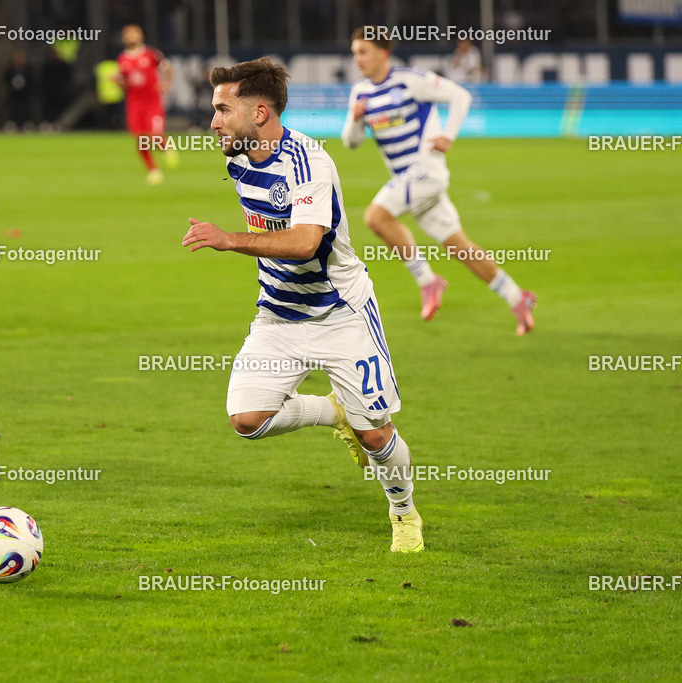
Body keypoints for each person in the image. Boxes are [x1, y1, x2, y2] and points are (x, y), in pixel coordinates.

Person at [182, 57, 423, 553]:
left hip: (341, 313)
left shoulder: (310, 163)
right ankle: (330, 412)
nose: (213, 122)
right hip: (278, 314)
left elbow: (307, 243)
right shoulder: (238, 156)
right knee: (247, 419)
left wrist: (229, 240)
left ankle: (403, 514)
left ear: (262, 113)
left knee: (376, 437)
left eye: (224, 110)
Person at [343, 27, 535, 335]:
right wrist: (355, 119)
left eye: (363, 52)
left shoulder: (411, 80)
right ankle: (518, 298)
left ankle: (428, 280)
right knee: (460, 247)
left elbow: (460, 95)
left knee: (375, 217)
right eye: (355, 53)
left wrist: (449, 135)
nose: (358, 59)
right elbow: (351, 143)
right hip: (406, 179)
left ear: (383, 52)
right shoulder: (360, 93)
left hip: (425, 171)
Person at [116, 24, 176, 185]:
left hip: (152, 101)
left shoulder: (151, 54)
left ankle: (166, 148)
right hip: (134, 104)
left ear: (141, 36)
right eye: (127, 34)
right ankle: (153, 170)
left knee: (155, 135)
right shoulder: (122, 59)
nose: (131, 37)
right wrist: (117, 81)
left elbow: (168, 67)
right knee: (140, 138)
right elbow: (124, 84)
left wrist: (166, 83)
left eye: (134, 34)